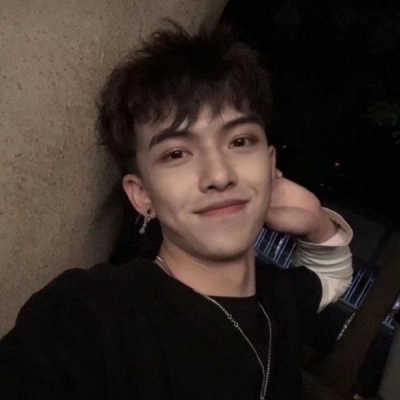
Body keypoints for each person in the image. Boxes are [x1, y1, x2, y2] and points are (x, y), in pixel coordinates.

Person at [0, 22, 353, 399]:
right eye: (177, 153)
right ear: (142, 196)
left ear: (270, 165)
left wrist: (315, 221)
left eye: (239, 141)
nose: (219, 175)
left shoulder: (281, 299)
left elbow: (332, 273)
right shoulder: (87, 316)